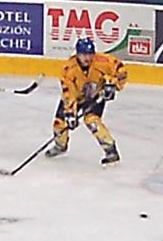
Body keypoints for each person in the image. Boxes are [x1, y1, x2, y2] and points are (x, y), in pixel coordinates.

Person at [45, 37, 128, 166]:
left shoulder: (103, 61)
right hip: (76, 97)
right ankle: (60, 145)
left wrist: (113, 85)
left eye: (90, 54)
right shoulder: (68, 69)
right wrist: (70, 113)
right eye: (84, 54)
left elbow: (121, 71)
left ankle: (111, 150)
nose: (87, 58)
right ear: (77, 54)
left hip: (95, 96)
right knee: (60, 123)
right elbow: (68, 93)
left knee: (92, 120)